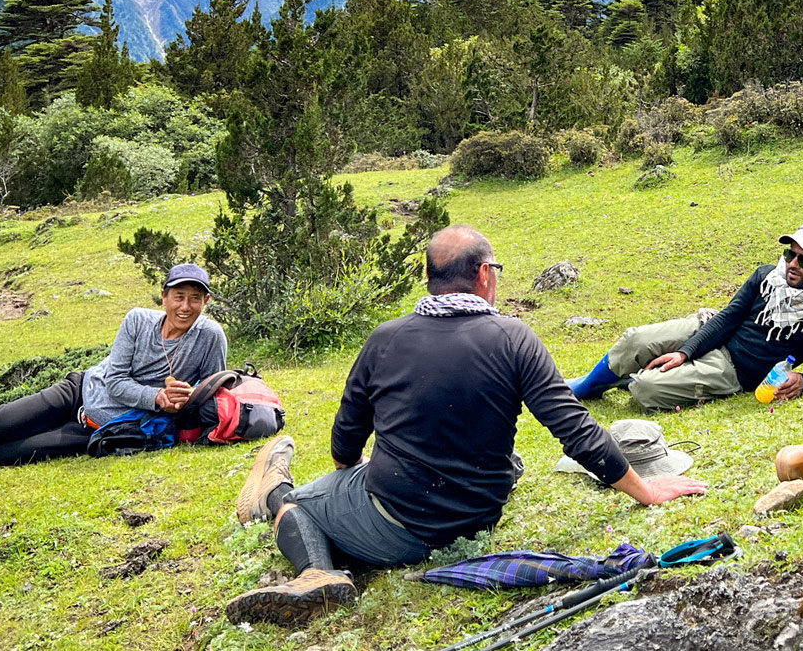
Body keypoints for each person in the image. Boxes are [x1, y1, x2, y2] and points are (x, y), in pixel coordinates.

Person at [224, 224, 706, 627]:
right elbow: (576, 430)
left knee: (295, 502)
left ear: (432, 279)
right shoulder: (514, 337)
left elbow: (346, 435)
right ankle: (292, 506)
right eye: (495, 269)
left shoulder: (386, 338)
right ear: (482, 275)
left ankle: (314, 572)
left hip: (401, 525)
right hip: (479, 513)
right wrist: (645, 491)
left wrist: (349, 477)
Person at [0, 264, 227, 466]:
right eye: (179, 296)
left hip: (108, 428)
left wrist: (184, 400)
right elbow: (115, 381)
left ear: (206, 301)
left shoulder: (211, 337)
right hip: (81, 391)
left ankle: (12, 437)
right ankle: (0, 433)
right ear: (164, 297)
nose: (185, 306)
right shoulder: (137, 321)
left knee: (6, 456)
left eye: (195, 298)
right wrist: (157, 396)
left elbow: (210, 397)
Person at [565, 223, 803, 411]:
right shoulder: (767, 276)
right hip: (713, 330)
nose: (792, 264)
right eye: (789, 254)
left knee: (646, 389)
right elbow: (729, 317)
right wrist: (684, 353)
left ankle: (622, 379)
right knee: (635, 340)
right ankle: (589, 385)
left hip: (735, 371)